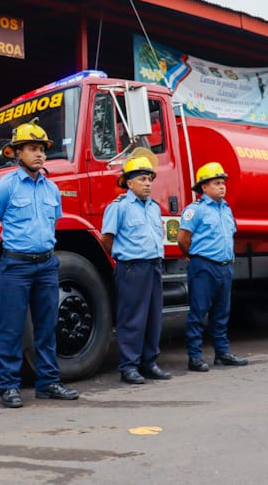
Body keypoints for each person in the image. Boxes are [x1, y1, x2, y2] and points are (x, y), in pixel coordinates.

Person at [0, 118, 79, 408]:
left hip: (47, 265)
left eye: (42, 149)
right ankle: (9, 386)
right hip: (15, 266)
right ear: (17, 153)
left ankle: (48, 382)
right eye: (32, 149)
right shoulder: (5, 186)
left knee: (47, 326)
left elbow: (53, 226)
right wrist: (3, 260)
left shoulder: (51, 189)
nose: (39, 154)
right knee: (10, 329)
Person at [101, 152, 171, 385]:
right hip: (132, 267)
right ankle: (129, 366)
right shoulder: (119, 206)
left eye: (150, 179)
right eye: (142, 179)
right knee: (132, 318)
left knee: (153, 316)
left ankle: (149, 363)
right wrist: (123, 260)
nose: (148, 183)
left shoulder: (153, 207)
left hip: (153, 266)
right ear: (129, 183)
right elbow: (107, 238)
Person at [177, 162, 248, 372]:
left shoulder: (226, 209)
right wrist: (193, 256)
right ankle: (195, 357)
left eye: (223, 183)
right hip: (204, 267)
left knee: (221, 313)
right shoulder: (195, 210)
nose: (222, 187)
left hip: (224, 268)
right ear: (204, 187)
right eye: (216, 183)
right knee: (198, 313)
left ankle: (222, 353)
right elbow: (182, 238)